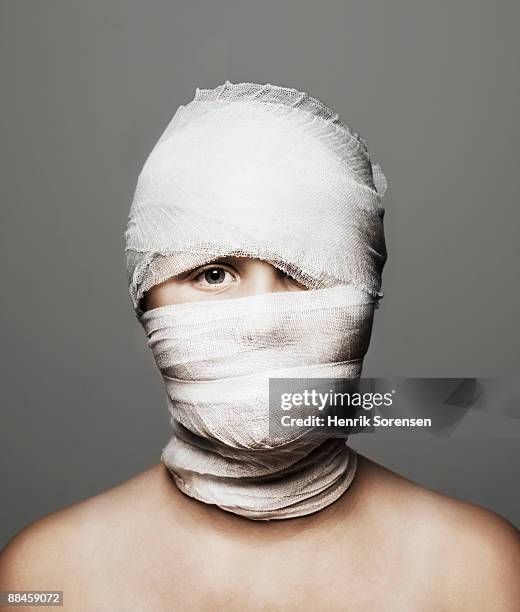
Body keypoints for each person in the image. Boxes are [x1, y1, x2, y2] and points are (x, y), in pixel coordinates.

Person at [1, 81, 519, 611]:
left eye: (305, 275)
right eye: (214, 273)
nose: (265, 318)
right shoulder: (44, 579)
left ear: (368, 299)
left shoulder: (479, 573)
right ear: (146, 300)